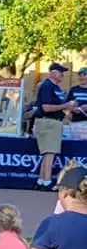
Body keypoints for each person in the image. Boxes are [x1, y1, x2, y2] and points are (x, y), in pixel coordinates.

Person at [32, 62, 74, 190]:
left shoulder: (56, 88)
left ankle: (41, 181)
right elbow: (45, 107)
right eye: (61, 72)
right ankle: (47, 181)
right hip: (48, 122)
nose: (62, 75)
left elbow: (57, 106)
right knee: (50, 154)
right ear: (53, 73)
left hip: (53, 122)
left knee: (48, 154)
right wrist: (65, 106)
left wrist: (68, 108)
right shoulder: (47, 86)